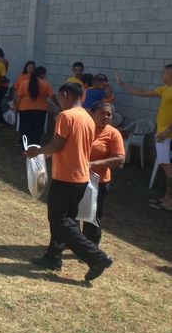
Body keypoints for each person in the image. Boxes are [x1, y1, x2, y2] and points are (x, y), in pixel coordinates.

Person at [25, 83, 114, 281]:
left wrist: (36, 152)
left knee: (59, 220)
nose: (58, 100)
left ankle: (96, 257)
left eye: (58, 96)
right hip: (81, 177)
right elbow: (73, 146)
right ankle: (53, 257)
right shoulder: (87, 118)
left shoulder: (66, 116)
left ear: (65, 94)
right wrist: (47, 155)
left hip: (66, 177)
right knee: (66, 218)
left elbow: (57, 145)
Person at [116, 65, 172, 211]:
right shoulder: (165, 89)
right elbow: (143, 92)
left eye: (164, 73)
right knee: (166, 167)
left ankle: (169, 200)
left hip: (168, 136)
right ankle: (167, 197)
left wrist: (168, 131)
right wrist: (124, 85)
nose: (162, 75)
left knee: (168, 167)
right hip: (162, 135)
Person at [84, 101, 126, 246]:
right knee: (74, 210)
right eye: (102, 113)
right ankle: (73, 241)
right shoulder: (85, 127)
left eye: (109, 114)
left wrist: (92, 165)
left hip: (98, 181)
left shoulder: (113, 133)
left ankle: (90, 247)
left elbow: (120, 158)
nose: (106, 117)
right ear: (93, 113)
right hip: (77, 177)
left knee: (92, 215)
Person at [15, 66, 57, 146]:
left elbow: (19, 96)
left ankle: (25, 145)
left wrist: (16, 106)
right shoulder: (46, 83)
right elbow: (52, 96)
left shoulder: (25, 82)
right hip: (41, 108)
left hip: (25, 108)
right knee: (37, 128)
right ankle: (35, 145)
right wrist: (57, 104)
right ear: (42, 74)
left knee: (25, 128)